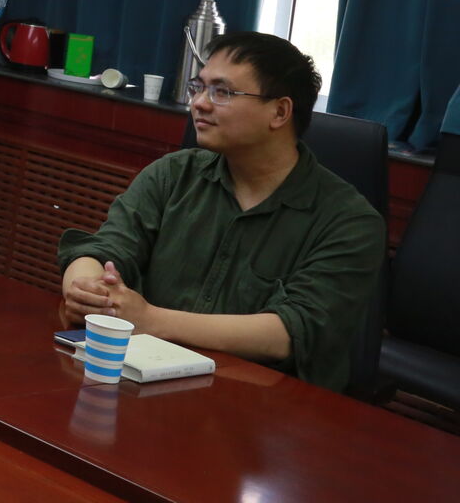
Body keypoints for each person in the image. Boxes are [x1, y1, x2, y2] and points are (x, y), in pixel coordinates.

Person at [57, 31, 383, 392]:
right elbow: (103, 250)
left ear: (279, 112)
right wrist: (87, 291)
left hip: (264, 403)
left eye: (222, 92)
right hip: (145, 383)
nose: (199, 103)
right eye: (198, 88)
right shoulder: (172, 175)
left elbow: (290, 332)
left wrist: (149, 319)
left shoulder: (349, 222)